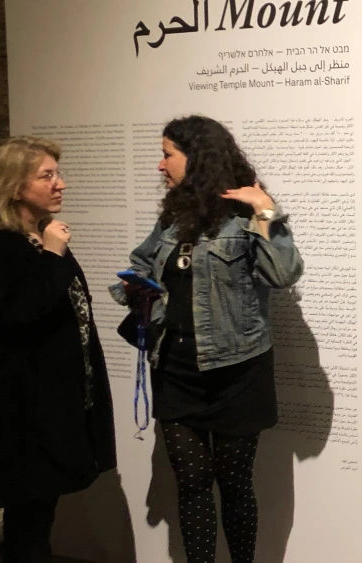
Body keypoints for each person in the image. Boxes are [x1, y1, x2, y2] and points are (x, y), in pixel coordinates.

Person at [110, 115, 303, 563]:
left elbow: (283, 274)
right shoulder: (175, 217)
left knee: (234, 485)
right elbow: (141, 263)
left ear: (195, 158)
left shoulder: (244, 215)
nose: (160, 166)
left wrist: (266, 210)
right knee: (192, 483)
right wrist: (135, 287)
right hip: (176, 370)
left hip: (238, 372)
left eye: (167, 155)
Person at [0, 137, 117, 562]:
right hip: (18, 408)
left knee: (39, 513)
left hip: (50, 401)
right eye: (47, 176)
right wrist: (52, 254)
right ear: (13, 186)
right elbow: (18, 313)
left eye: (57, 174)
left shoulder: (36, 237)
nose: (60, 184)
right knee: (29, 518)